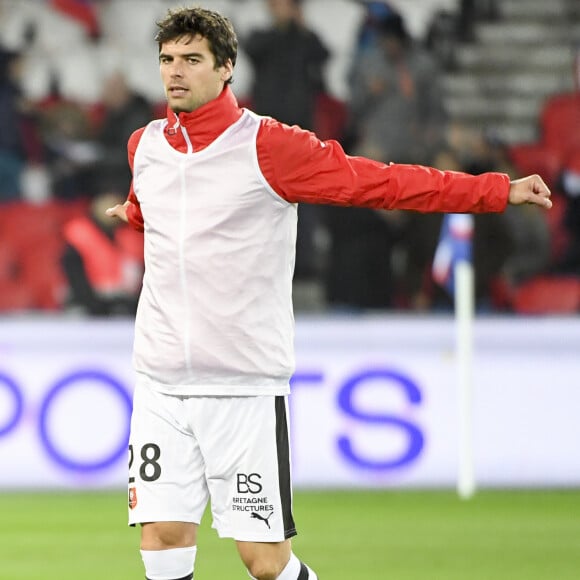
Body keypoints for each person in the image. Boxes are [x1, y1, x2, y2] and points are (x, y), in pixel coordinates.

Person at [105, 7, 551, 580]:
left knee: (264, 563)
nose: (176, 72)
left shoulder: (269, 146)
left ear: (227, 68)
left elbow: (380, 183)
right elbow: (161, 206)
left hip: (242, 386)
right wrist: (134, 213)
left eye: (192, 59)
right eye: (168, 60)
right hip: (160, 382)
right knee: (162, 540)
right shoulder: (144, 146)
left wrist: (494, 190)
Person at [61, 187, 143, 316]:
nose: (111, 206)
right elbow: (75, 277)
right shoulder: (79, 234)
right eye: (106, 200)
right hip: (88, 305)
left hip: (126, 305)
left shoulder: (132, 236)